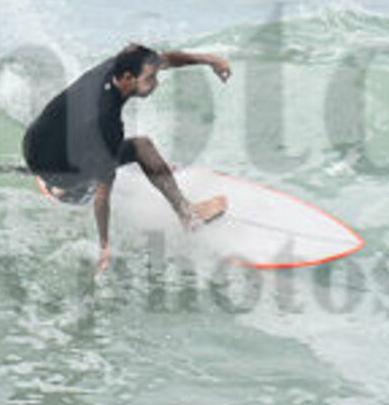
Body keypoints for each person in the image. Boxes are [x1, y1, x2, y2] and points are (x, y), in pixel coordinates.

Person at [23, 43, 232, 272]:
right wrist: (104, 246)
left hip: (35, 143)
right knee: (142, 148)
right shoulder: (106, 120)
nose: (156, 84)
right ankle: (188, 215)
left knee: (104, 147)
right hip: (56, 167)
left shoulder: (116, 66)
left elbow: (163, 60)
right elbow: (103, 195)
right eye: (149, 79)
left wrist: (210, 60)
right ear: (127, 78)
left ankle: (70, 182)